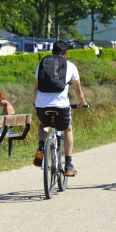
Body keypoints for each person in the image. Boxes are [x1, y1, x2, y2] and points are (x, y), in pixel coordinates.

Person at [33, 40, 88, 176]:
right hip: (62, 105)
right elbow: (78, 90)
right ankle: (68, 164)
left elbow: (36, 87)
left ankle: (41, 147)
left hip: (42, 105)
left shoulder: (42, 64)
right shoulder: (70, 66)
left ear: (52, 52)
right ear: (66, 53)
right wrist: (83, 103)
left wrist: (35, 103)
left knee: (43, 125)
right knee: (67, 130)